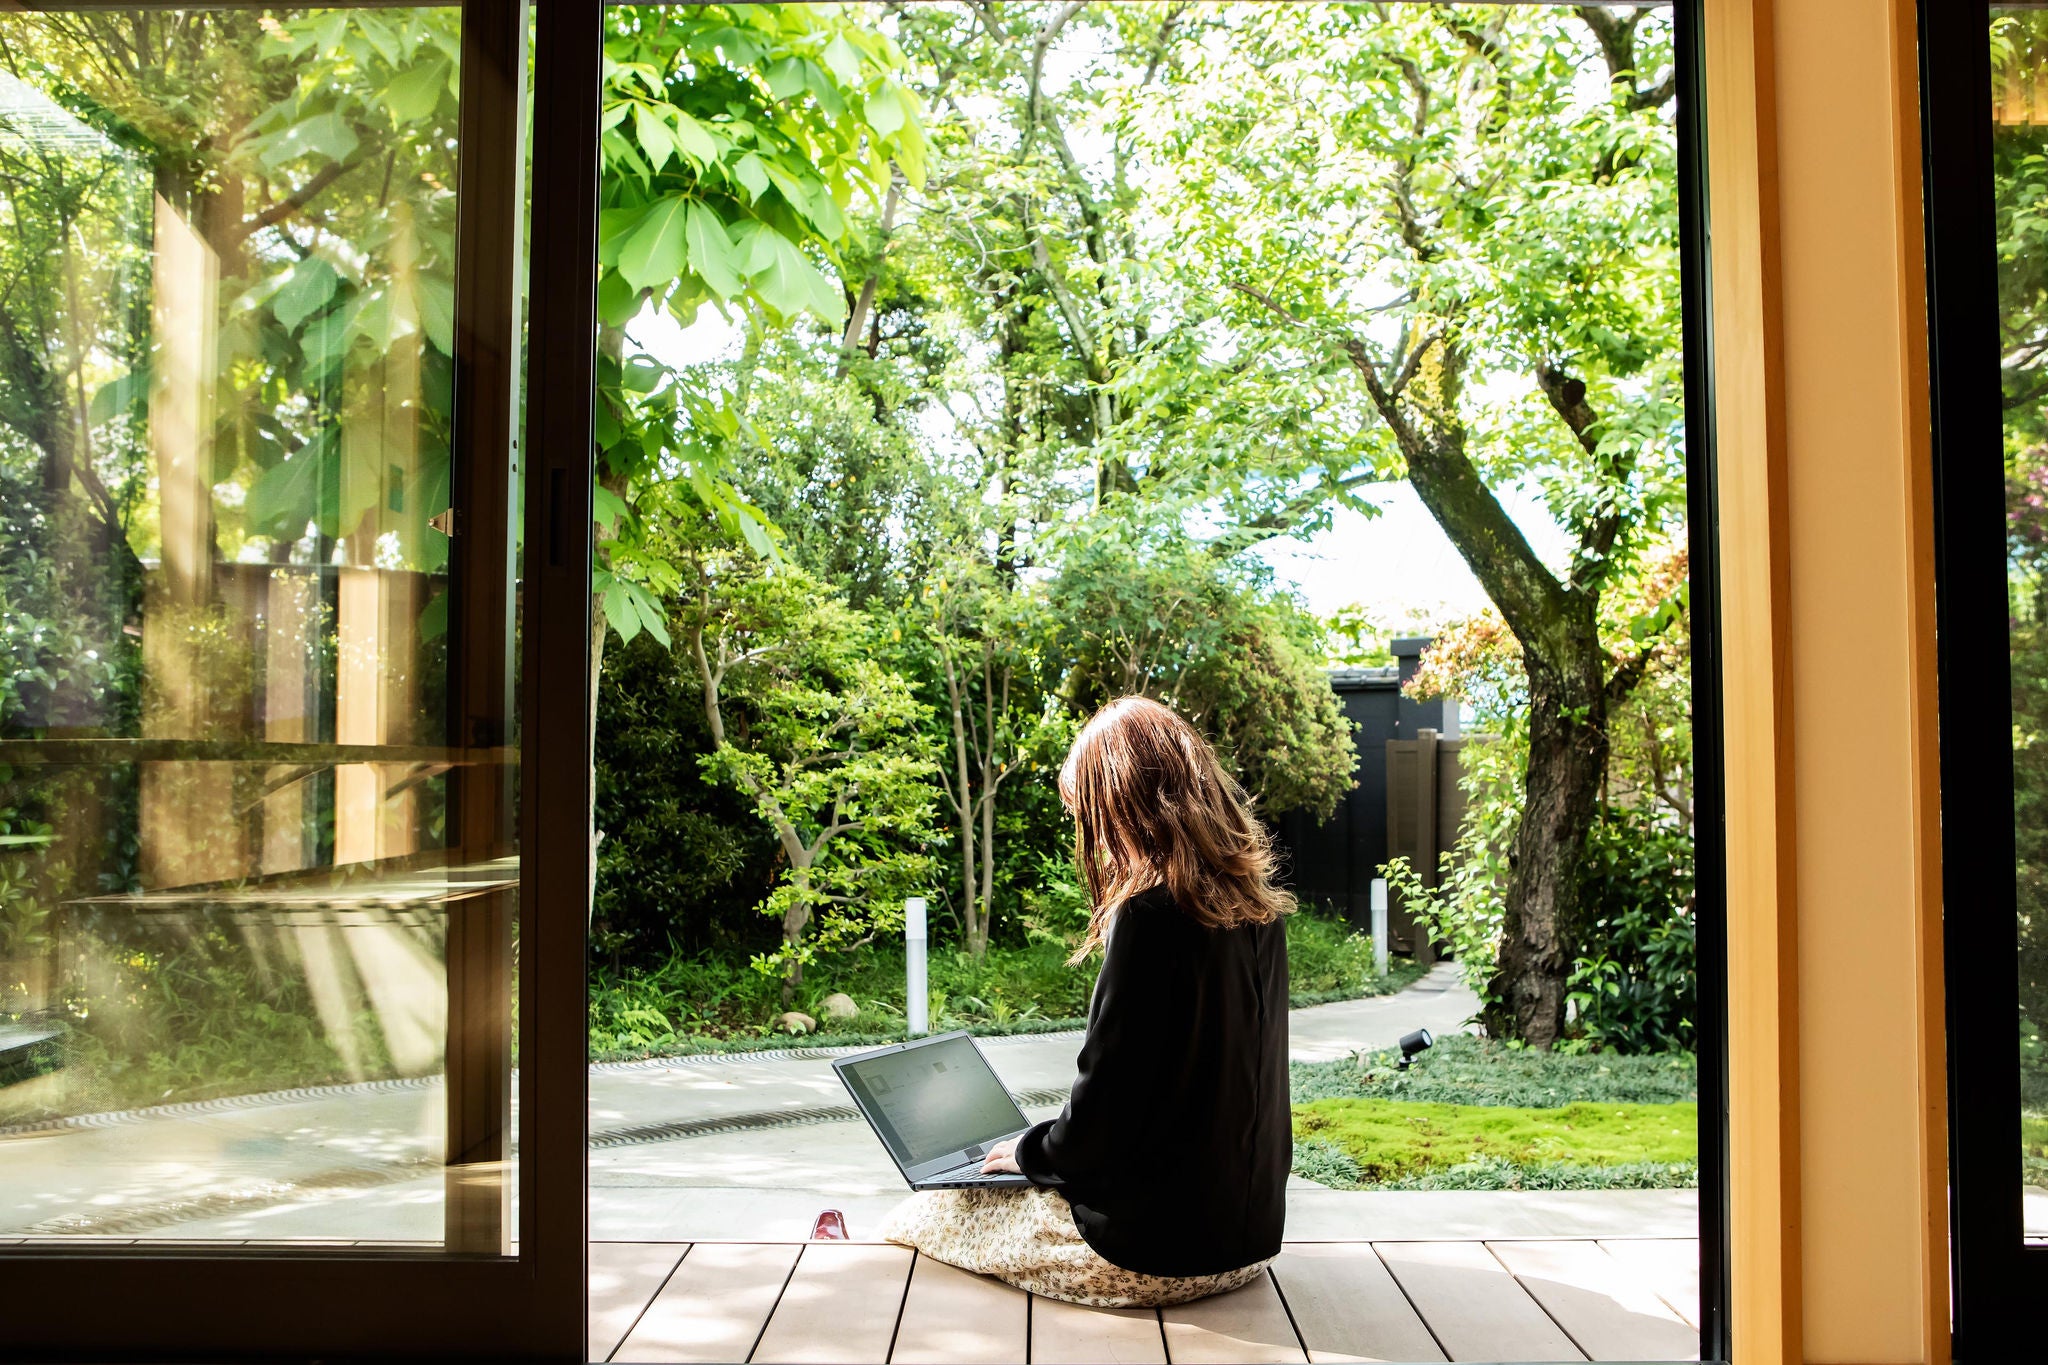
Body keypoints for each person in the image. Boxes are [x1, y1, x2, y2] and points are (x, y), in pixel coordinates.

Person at [878, 695, 1292, 1308]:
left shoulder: (1150, 915)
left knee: (924, 1213)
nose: (1094, 835)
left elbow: (1106, 1112)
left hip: (1155, 1256)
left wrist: (1028, 1150)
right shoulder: (1258, 909)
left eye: (1090, 812)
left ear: (1128, 803)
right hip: (1249, 1245)